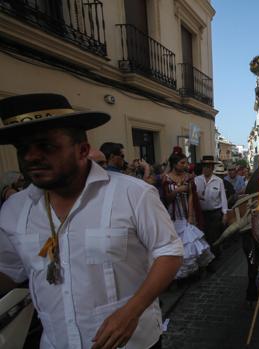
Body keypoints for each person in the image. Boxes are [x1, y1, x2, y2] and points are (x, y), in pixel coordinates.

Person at [0, 93, 183, 348]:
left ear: (83, 150)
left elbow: (170, 253)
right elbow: (10, 270)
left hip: (131, 343)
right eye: (23, 149)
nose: (31, 157)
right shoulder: (13, 210)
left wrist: (132, 311)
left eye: (46, 146)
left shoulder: (133, 193)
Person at [162, 151, 211, 278]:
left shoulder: (188, 177)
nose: (185, 165)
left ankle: (192, 272)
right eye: (182, 163)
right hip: (173, 215)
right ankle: (176, 275)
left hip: (186, 215)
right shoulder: (166, 178)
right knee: (175, 245)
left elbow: (190, 196)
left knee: (191, 243)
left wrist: (190, 215)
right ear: (174, 164)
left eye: (186, 162)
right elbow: (167, 198)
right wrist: (177, 190)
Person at [194, 155, 228, 245]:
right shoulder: (196, 180)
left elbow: (223, 198)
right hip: (201, 213)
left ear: (212, 168)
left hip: (215, 213)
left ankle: (216, 255)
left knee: (214, 235)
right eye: (204, 167)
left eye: (208, 167)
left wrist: (225, 214)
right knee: (203, 235)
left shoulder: (218, 181)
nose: (206, 169)